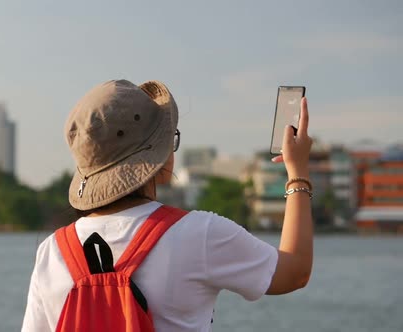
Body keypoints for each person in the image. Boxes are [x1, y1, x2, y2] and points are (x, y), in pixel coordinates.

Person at [21, 79, 313, 331]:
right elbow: (295, 272)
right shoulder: (199, 233)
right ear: (157, 160)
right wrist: (297, 172)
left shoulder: (52, 251)